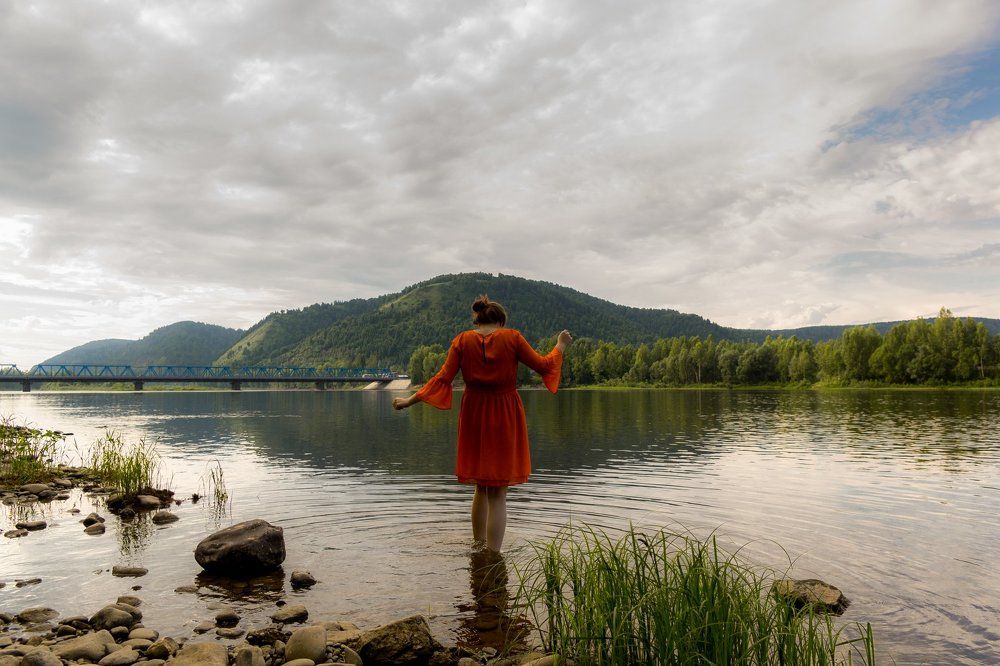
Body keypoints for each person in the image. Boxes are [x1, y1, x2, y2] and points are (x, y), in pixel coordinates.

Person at [392, 295, 572, 552]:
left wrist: (410, 400)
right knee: (498, 492)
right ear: (500, 321)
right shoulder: (513, 338)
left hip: (474, 415)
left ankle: (478, 547)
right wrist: (560, 345)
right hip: (505, 414)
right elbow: (544, 366)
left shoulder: (462, 341)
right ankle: (493, 556)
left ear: (478, 320)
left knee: (481, 487)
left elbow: (442, 378)